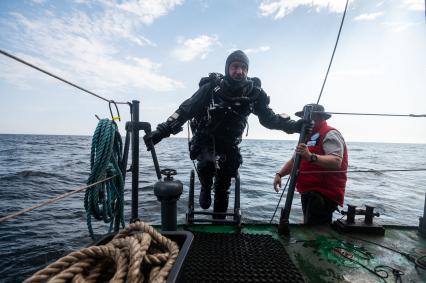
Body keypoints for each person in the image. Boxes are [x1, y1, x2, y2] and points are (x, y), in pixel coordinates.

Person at [145, 50, 309, 219]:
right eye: (235, 66)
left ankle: (219, 222)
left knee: (224, 184)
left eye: (244, 68)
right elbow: (186, 110)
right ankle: (206, 186)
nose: (239, 71)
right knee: (208, 164)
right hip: (205, 139)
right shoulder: (211, 89)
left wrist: (294, 126)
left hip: (230, 144)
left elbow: (269, 119)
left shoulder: (254, 93)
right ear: (227, 68)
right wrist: (161, 131)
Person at [273, 104, 348, 224]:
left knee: (315, 228)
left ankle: (315, 243)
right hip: (308, 191)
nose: (304, 120)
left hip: (323, 193)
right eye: (303, 116)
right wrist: (280, 174)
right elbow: (294, 160)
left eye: (307, 116)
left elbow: (336, 161)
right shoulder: (307, 136)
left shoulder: (330, 133)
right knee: (309, 223)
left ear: (319, 116)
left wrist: (310, 156)